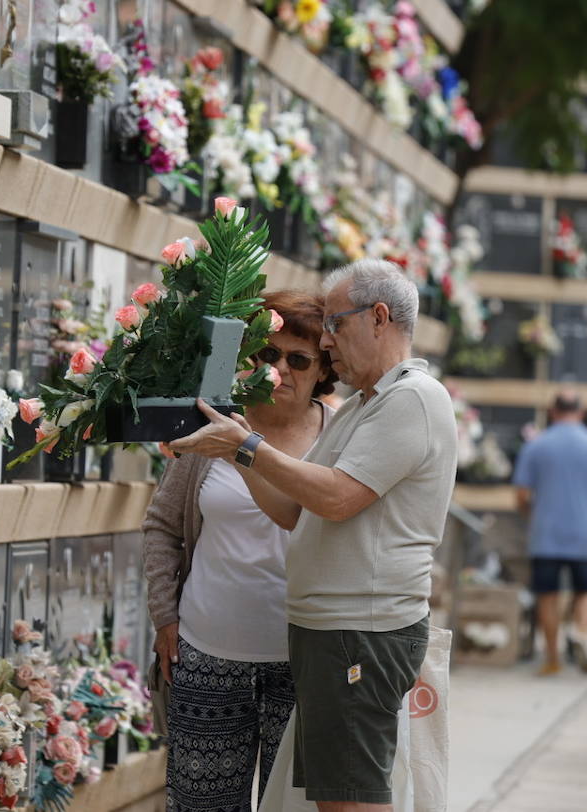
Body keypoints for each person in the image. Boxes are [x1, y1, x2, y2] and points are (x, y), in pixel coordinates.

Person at [171, 259, 456, 811]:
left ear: (379, 317)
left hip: (361, 631)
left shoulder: (413, 398)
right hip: (336, 630)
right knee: (336, 797)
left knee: (351, 800)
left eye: (335, 324)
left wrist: (247, 448)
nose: (326, 342)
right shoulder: (365, 405)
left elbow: (336, 496)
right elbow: (293, 511)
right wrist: (241, 442)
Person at [142, 290, 335, 811]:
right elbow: (162, 526)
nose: (281, 369)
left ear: (323, 370)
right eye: (268, 354)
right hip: (207, 653)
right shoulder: (215, 427)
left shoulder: (341, 436)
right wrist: (165, 616)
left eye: (299, 359)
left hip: (304, 662)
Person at [512, 393, 587, 676]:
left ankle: (552, 657)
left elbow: (522, 495)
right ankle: (582, 631)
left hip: (546, 533)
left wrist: (532, 516)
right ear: (582, 412)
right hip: (586, 532)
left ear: (552, 411)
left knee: (547, 594)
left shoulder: (536, 445)